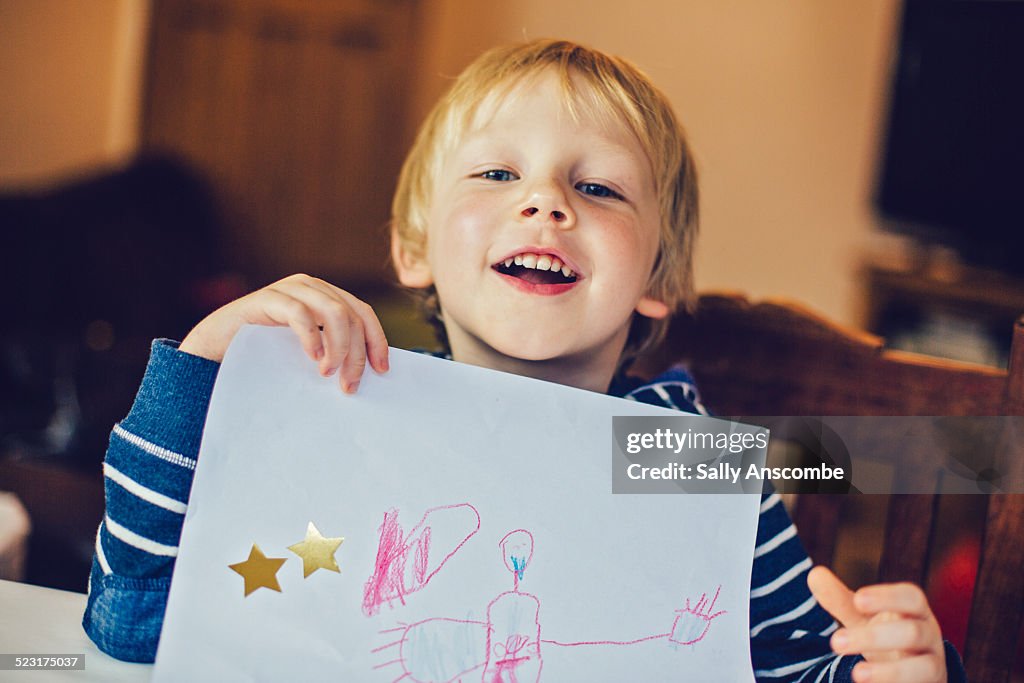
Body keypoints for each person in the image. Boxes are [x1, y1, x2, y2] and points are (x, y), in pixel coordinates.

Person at [83, 39, 964, 682]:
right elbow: (133, 623)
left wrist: (903, 668)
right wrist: (201, 366)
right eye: (497, 175)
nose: (545, 202)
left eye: (598, 187)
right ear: (414, 249)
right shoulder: (339, 410)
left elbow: (793, 669)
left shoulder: (684, 464)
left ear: (657, 276)